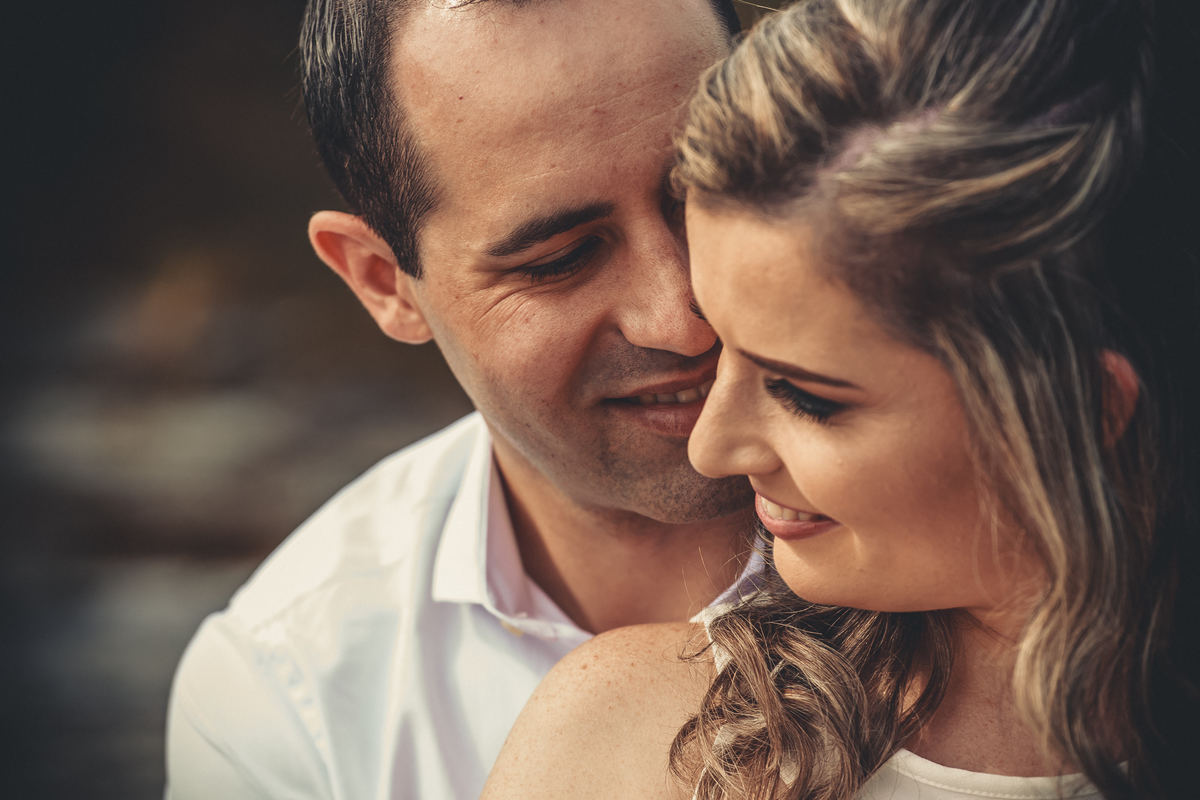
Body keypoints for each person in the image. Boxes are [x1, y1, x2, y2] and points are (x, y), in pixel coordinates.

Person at [483, 0, 1200, 798]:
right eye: (724, 347)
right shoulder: (639, 746)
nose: (710, 449)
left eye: (806, 396)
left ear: (1086, 410)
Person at [164, 1, 762, 797]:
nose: (681, 317)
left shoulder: (976, 512)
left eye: (711, 194)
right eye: (560, 259)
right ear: (383, 282)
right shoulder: (286, 701)